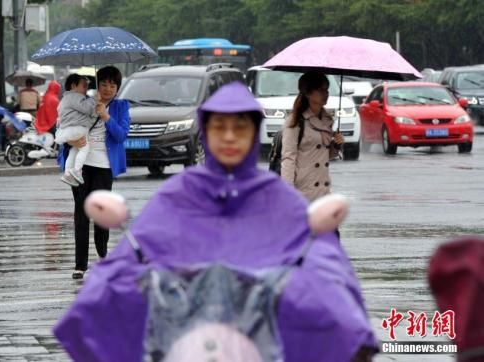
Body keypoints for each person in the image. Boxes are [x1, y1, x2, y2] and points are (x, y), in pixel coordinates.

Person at [53, 82, 377, 361]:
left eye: (240, 127)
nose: (229, 137)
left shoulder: (276, 197)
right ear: (206, 132)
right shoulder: (181, 193)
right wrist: (102, 296)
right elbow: (138, 249)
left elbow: (320, 256)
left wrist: (340, 313)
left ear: (254, 132)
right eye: (219, 127)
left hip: (263, 338)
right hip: (188, 337)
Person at [57, 66, 130, 280]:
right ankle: (80, 265)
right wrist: (70, 140)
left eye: (112, 85)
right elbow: (62, 126)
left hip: (104, 167)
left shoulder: (121, 107)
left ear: (117, 87)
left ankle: (103, 256)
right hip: (80, 165)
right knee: (81, 213)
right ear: (98, 85)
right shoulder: (82, 102)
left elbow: (121, 136)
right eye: (104, 84)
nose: (108, 89)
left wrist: (106, 116)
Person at [281, 71, 344, 203]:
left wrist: (336, 145)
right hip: (302, 192)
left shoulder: (327, 119)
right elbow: (288, 158)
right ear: (308, 93)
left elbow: (324, 155)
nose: (325, 94)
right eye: (321, 90)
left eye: (327, 90)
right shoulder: (295, 121)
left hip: (323, 192)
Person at [55, 74, 98, 186]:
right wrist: (95, 99)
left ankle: (67, 173)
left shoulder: (65, 99)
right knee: (85, 148)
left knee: (74, 151)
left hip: (67, 130)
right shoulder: (75, 96)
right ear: (73, 86)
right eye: (84, 86)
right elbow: (87, 108)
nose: (86, 89)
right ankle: (77, 170)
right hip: (77, 128)